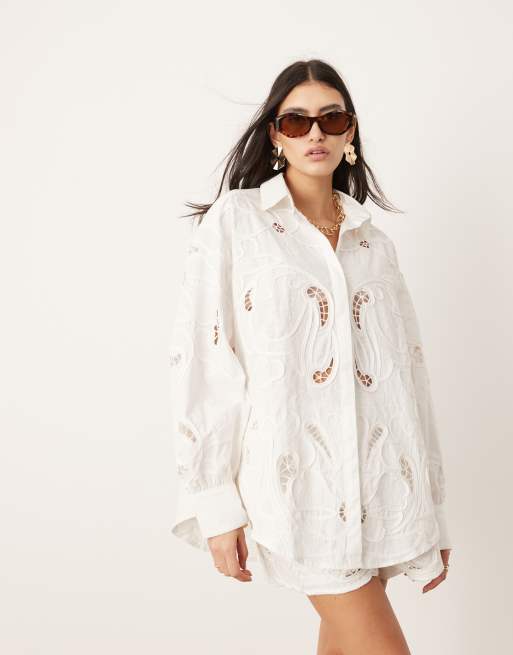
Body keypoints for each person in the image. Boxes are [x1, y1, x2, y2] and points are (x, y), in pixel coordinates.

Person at [168, 58, 453, 655]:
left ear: (351, 132)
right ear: (276, 135)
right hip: (297, 491)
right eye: (297, 121)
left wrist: (432, 506)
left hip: (380, 489)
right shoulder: (237, 222)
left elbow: (408, 379)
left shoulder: (374, 243)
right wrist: (214, 501)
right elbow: (206, 359)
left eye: (332, 118)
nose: (315, 133)